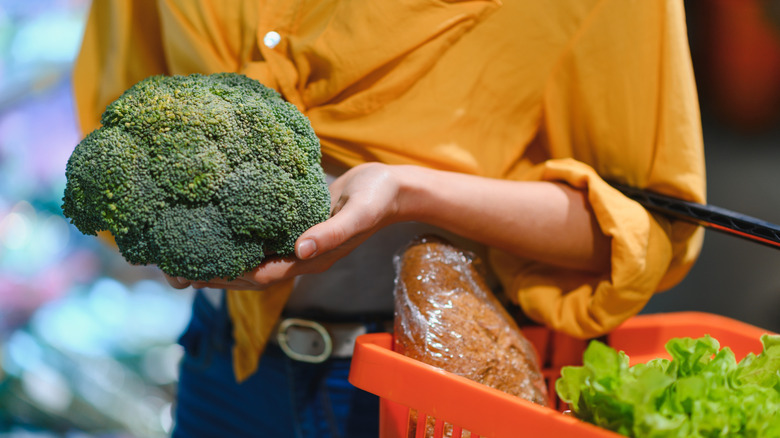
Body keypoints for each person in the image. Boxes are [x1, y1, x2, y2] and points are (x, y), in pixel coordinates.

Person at [72, 0, 705, 436]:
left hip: (428, 392)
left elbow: (645, 227)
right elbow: (119, 117)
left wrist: (410, 191)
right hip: (224, 365)